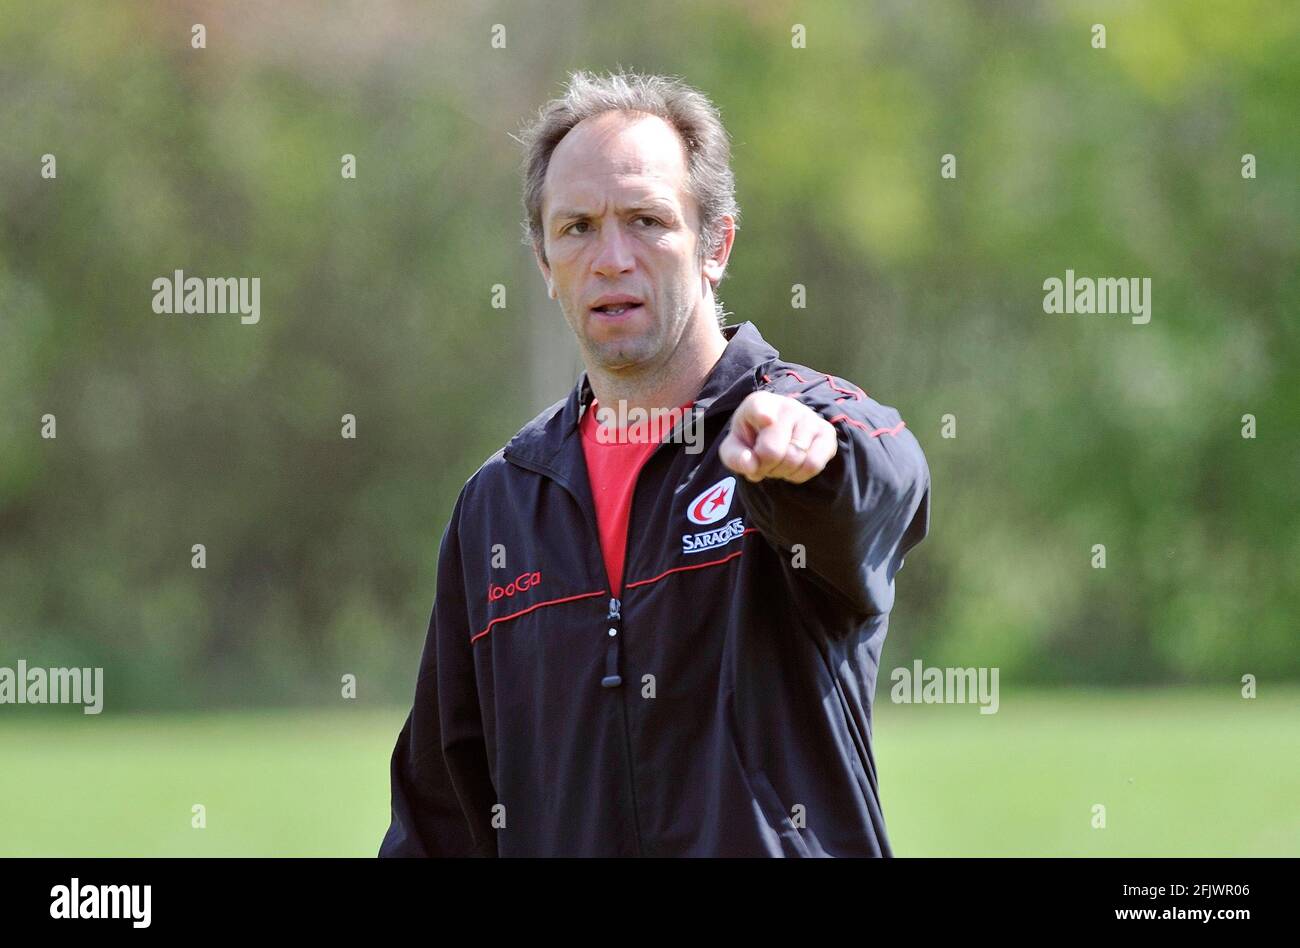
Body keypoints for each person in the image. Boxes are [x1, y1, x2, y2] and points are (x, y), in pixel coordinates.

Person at [379, 69, 930, 857]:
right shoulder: (499, 505)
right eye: (577, 228)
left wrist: (813, 462)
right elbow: (443, 818)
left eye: (646, 220)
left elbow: (884, 482)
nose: (611, 258)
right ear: (542, 259)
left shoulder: (794, 427)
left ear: (716, 246)